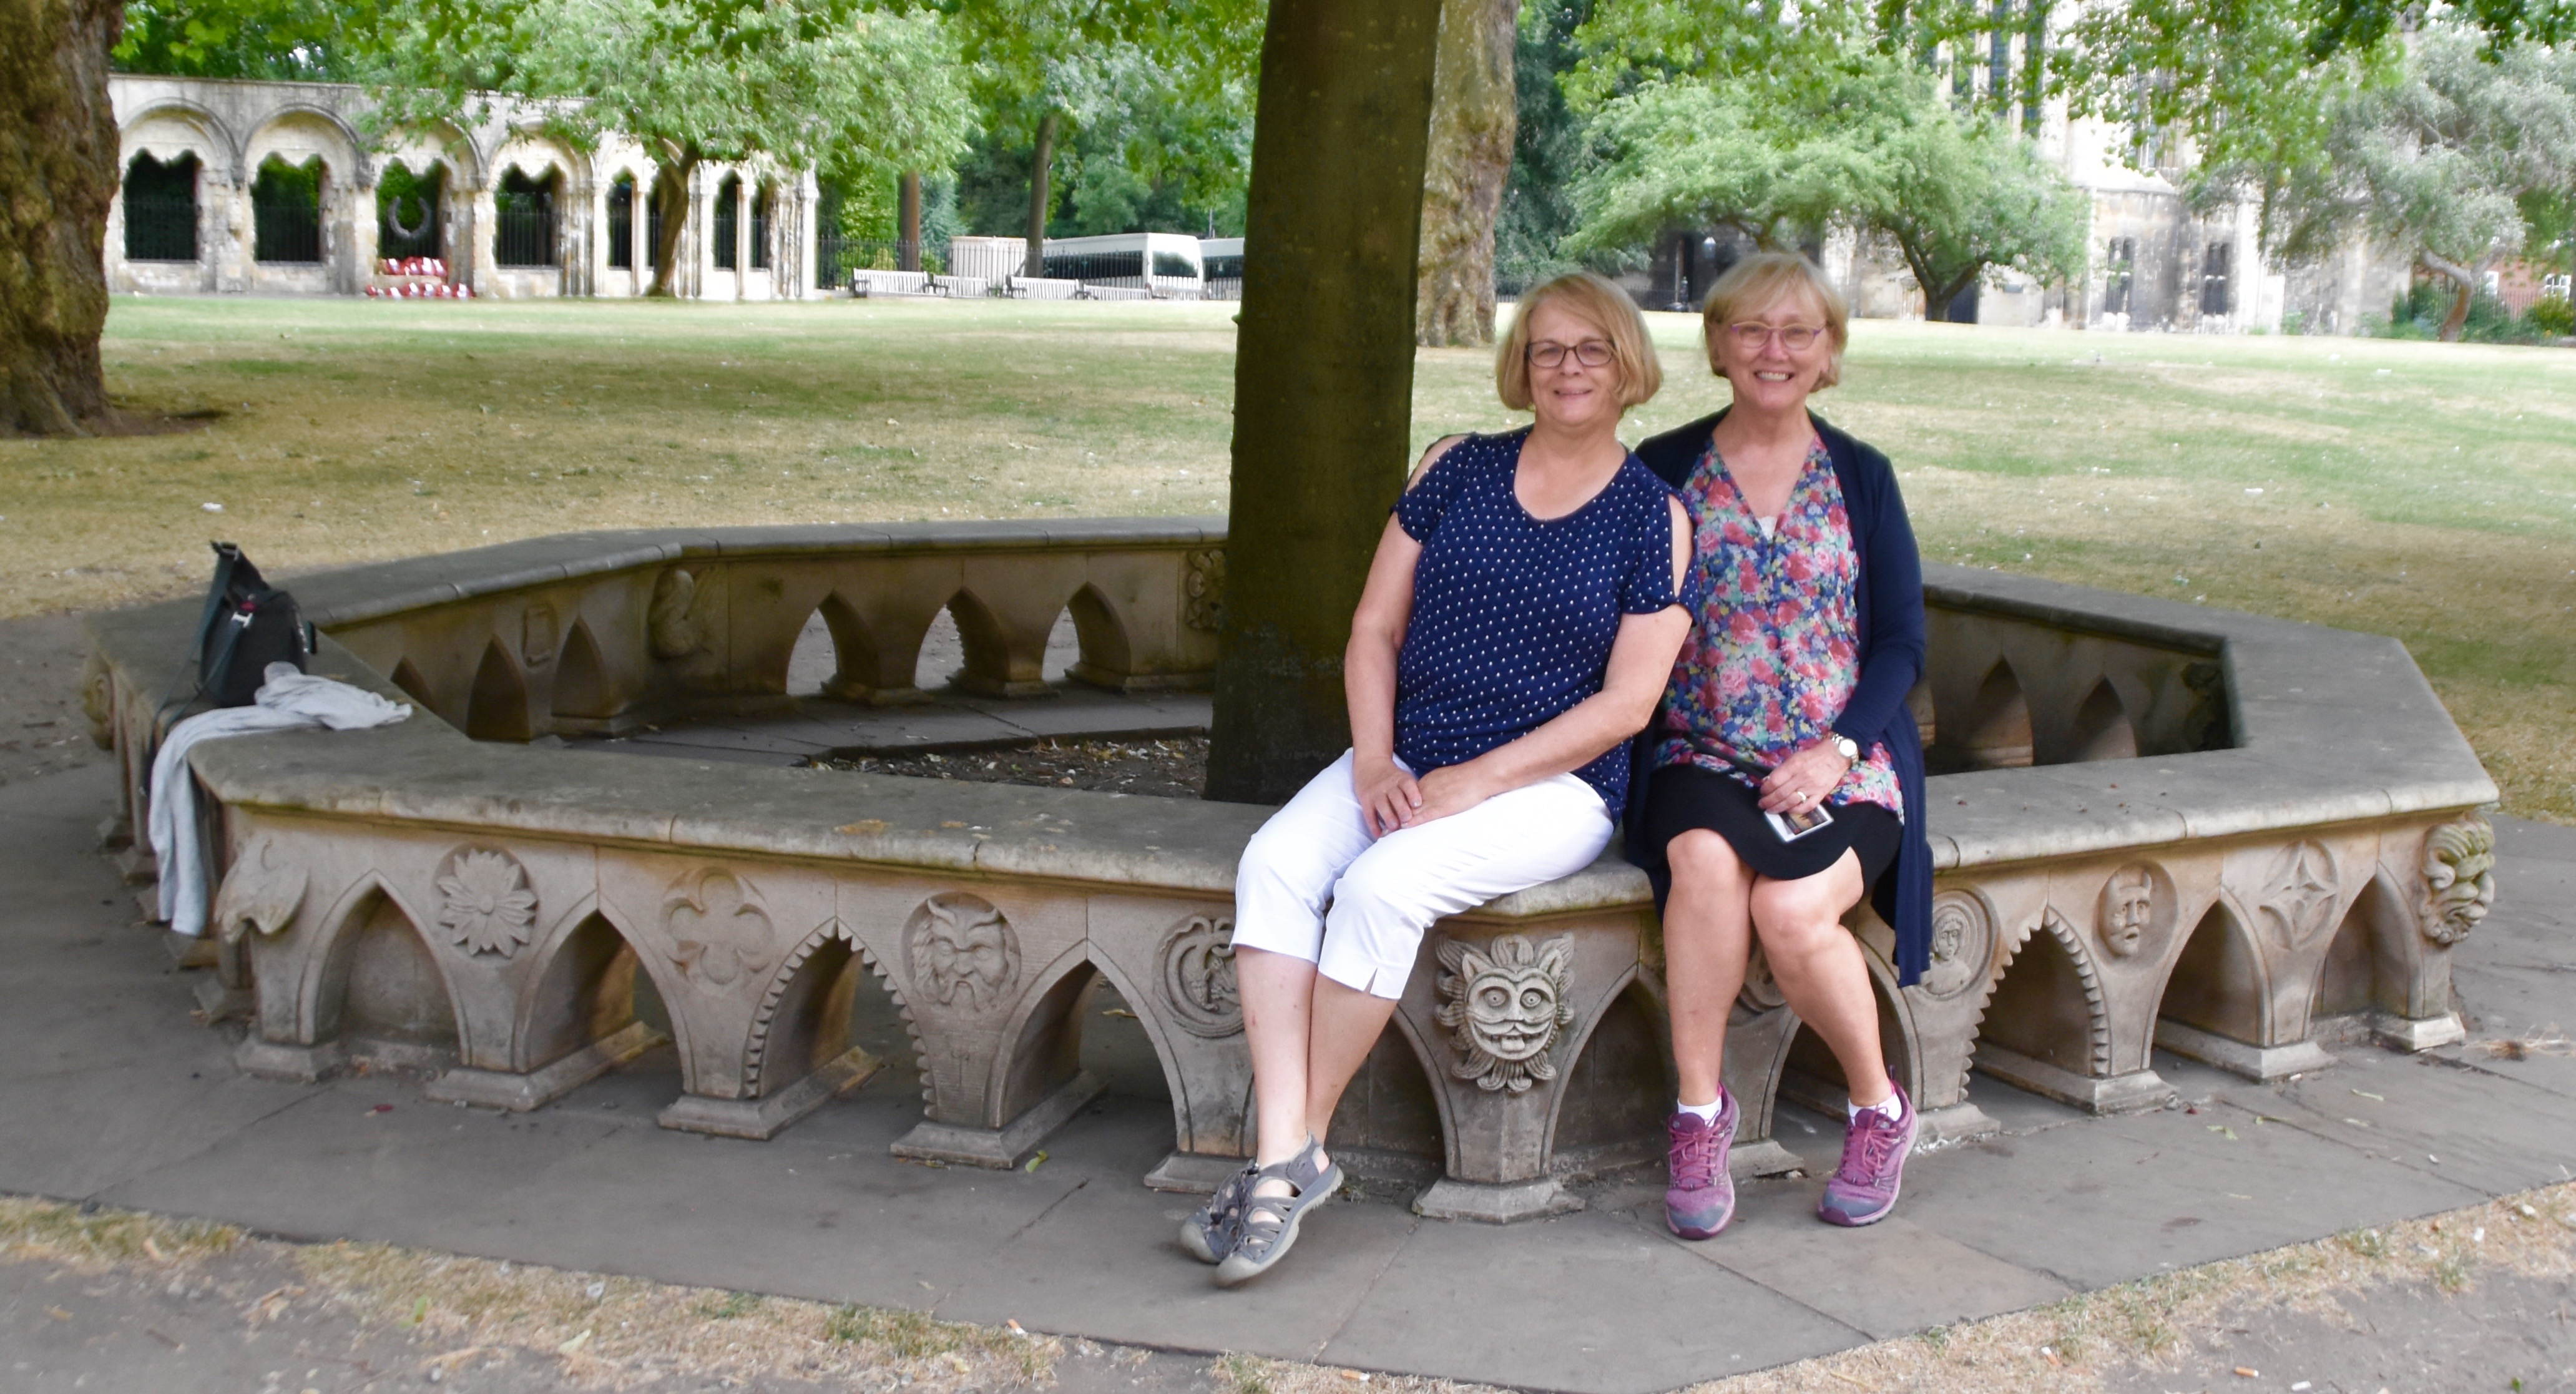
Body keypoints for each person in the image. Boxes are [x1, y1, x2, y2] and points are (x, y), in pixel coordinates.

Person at [1185, 272, 1695, 1287]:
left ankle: (1281, 1162)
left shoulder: (1656, 518)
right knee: (1277, 862)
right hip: (1406, 753)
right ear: (1521, 365)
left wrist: (1477, 782)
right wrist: (1376, 759)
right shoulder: (1455, 468)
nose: (1567, 368)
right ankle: (1294, 1155)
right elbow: (1373, 627)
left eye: (1591, 349)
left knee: (1384, 885)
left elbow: (1627, 707)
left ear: (1629, 365)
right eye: (1547, 349)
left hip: (1553, 786)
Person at [1625, 252, 1932, 1240]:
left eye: (1799, 332)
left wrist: (1840, 748)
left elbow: (1900, 644)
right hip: (1703, 753)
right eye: (1751, 330)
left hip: (1843, 760)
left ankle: (1880, 1109)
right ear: (1716, 343)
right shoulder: (1663, 469)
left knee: (1797, 912)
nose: (1774, 351)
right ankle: (1698, 1115)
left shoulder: (1861, 477)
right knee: (1705, 864)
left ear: (1829, 353)